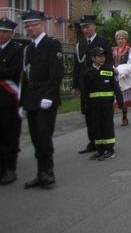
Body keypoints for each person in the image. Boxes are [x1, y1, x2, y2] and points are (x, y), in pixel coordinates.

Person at [20, 10, 64, 189]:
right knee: (36, 137)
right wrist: (21, 102)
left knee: (44, 135)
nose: (30, 29)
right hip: (31, 98)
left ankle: (48, 172)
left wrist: (48, 96)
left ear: (42, 24)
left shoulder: (52, 44)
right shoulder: (28, 48)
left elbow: (56, 73)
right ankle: (40, 173)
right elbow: (25, 76)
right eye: (27, 26)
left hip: (46, 98)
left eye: (33, 25)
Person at [71, 15, 113, 155]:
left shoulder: (103, 42)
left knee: (102, 115)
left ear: (94, 26)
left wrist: (107, 80)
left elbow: (108, 63)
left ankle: (105, 143)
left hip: (100, 85)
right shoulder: (80, 44)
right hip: (86, 85)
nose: (85, 30)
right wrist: (75, 85)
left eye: (87, 26)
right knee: (88, 114)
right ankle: (93, 142)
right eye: (83, 27)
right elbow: (77, 66)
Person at [79, 47, 123, 160]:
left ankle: (109, 149)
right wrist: (84, 105)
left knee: (107, 125)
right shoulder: (88, 72)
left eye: (103, 56)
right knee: (96, 127)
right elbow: (84, 91)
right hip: (93, 106)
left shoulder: (109, 69)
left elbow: (116, 86)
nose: (102, 58)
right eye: (99, 56)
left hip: (107, 105)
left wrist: (120, 100)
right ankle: (100, 149)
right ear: (93, 58)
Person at [0, 17, 24, 185]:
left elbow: (15, 72)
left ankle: (10, 168)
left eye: (5, 32)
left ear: (11, 33)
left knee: (10, 134)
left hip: (9, 99)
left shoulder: (18, 49)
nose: (1, 35)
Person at [113, 30, 131, 126]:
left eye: (122, 38)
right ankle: (110, 120)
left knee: (123, 97)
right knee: (112, 97)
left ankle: (124, 116)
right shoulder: (112, 50)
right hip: (114, 74)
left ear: (126, 40)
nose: (120, 40)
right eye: (118, 38)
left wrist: (123, 72)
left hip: (124, 75)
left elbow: (130, 63)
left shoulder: (129, 50)